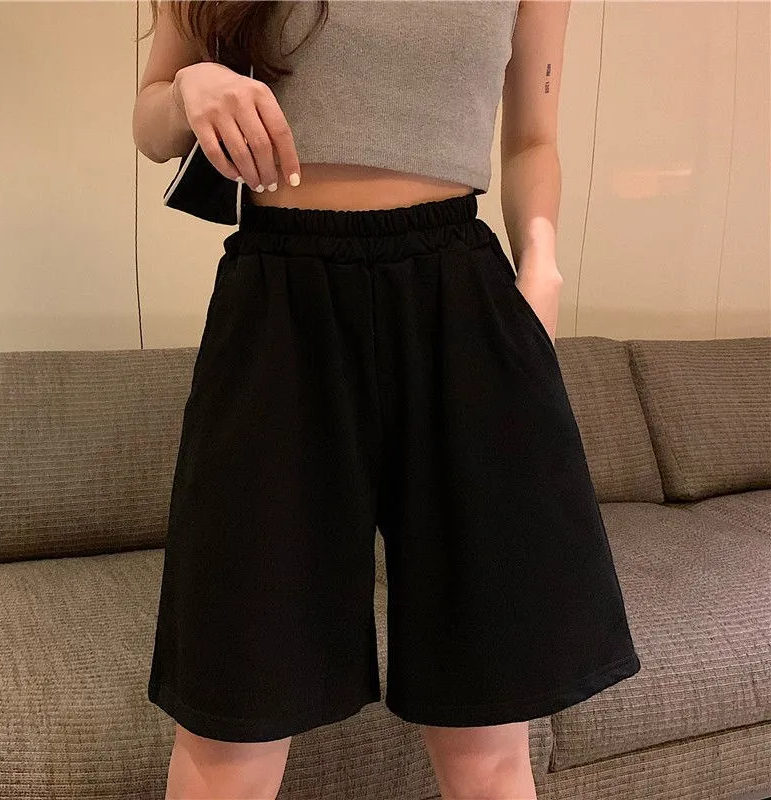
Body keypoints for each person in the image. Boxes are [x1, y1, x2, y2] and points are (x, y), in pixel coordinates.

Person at [132, 2, 641, 798]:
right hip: (278, 309)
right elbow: (151, 119)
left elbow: (533, 139)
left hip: (461, 308)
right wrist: (190, 89)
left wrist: (539, 274)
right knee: (230, 728)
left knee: (487, 738)